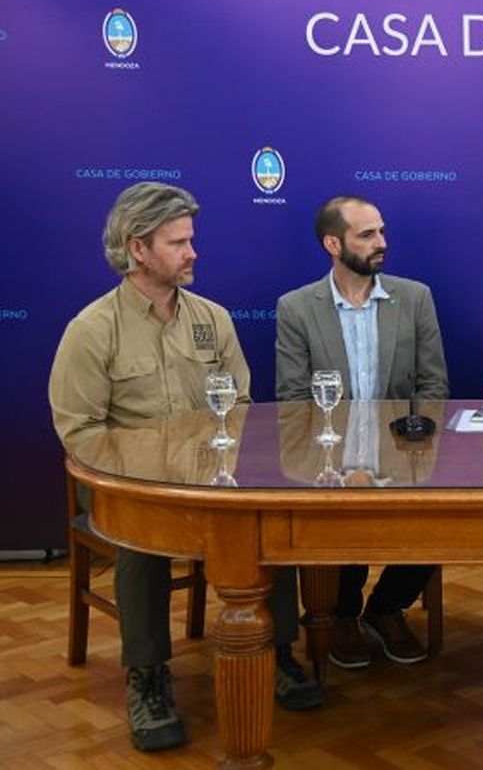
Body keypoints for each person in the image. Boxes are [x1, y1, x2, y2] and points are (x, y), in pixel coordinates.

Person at [48, 183, 321, 753]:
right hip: (129, 489)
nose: (193, 252)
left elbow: (243, 409)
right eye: (179, 242)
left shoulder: (214, 319)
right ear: (137, 249)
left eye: (191, 240)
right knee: (142, 542)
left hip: (210, 480)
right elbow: (81, 434)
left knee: (270, 523)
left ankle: (277, 651)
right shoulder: (93, 330)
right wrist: (146, 475)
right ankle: (146, 676)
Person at [275, 195, 449, 670]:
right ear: (333, 243)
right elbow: (292, 399)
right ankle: (344, 615)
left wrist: (416, 444)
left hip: (404, 452)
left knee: (444, 520)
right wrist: (334, 466)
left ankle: (386, 608)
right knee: (338, 515)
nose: (382, 243)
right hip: (329, 457)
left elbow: (434, 385)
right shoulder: (297, 309)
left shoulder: (414, 298)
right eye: (367, 235)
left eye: (381, 231)